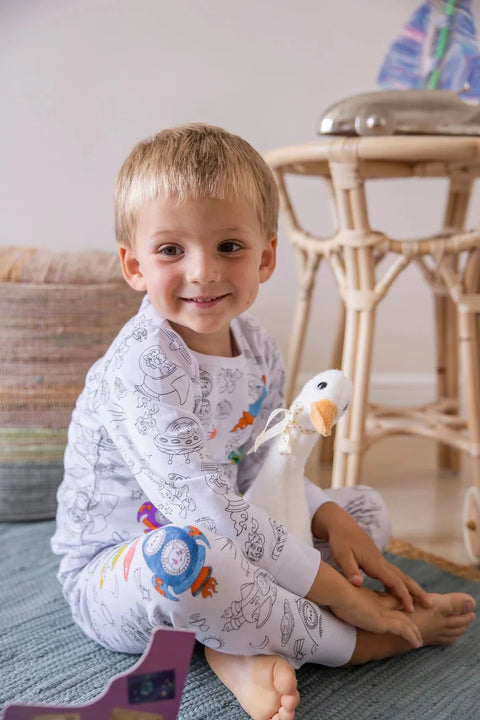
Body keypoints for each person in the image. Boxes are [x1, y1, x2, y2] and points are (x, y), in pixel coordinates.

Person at [51, 123, 475, 720]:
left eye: (229, 246)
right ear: (134, 265)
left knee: (363, 515)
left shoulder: (258, 350)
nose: (203, 271)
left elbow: (261, 470)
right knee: (192, 558)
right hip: (126, 567)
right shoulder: (140, 370)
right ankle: (352, 646)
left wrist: (327, 515)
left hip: (230, 530)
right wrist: (346, 602)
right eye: (172, 250)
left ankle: (234, 647)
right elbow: (210, 514)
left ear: (266, 256)